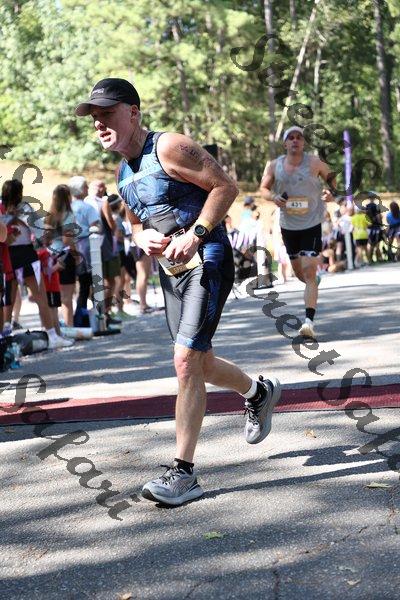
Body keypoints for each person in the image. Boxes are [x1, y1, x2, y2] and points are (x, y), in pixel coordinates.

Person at [75, 77, 281, 506]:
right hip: (172, 273)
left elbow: (225, 187)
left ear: (133, 113)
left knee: (185, 360)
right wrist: (141, 237)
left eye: (107, 113)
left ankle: (183, 473)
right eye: (94, 117)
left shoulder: (169, 147)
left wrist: (196, 234)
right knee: (199, 362)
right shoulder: (123, 171)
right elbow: (135, 221)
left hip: (208, 259)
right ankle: (258, 392)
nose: (99, 124)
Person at [260, 125, 336, 339]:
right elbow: (263, 189)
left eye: (299, 137)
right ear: (285, 143)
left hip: (312, 222)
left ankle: (309, 322)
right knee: (299, 272)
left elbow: (332, 180)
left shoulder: (315, 162)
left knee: (309, 270)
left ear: (304, 143)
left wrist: (330, 192)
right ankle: (312, 282)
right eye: (291, 137)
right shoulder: (274, 165)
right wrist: (273, 197)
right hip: (288, 225)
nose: (295, 140)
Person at [1, 179, 72, 348]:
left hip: (7, 255)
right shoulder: (25, 208)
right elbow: (39, 231)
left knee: (8, 300)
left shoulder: (1, 208)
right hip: (26, 254)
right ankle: (52, 336)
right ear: (19, 193)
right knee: (41, 297)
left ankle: (5, 339)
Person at [45, 185, 78, 326]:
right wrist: (76, 255)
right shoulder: (68, 214)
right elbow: (67, 240)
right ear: (67, 197)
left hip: (51, 256)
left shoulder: (49, 215)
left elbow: (45, 240)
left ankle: (57, 327)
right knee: (67, 298)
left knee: (54, 296)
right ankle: (69, 327)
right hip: (65, 255)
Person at [69, 176, 100, 313]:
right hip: (87, 247)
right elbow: (95, 226)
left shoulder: (67, 208)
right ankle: (97, 314)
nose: (88, 188)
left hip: (72, 246)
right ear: (81, 189)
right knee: (92, 282)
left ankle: (81, 314)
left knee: (82, 284)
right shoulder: (88, 207)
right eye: (86, 186)